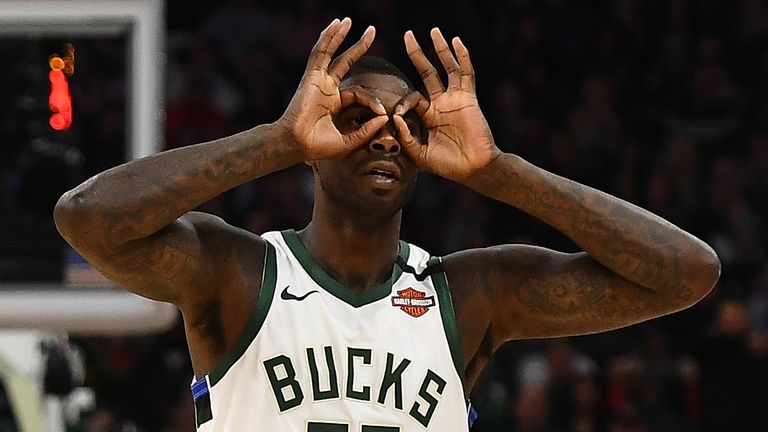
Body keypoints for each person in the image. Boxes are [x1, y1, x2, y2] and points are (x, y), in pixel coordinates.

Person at [54, 18, 721, 431]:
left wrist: (498, 171)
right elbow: (87, 220)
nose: (384, 135)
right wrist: (276, 141)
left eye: (407, 121)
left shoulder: (469, 293)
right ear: (316, 139)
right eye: (356, 116)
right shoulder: (239, 272)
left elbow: (687, 274)